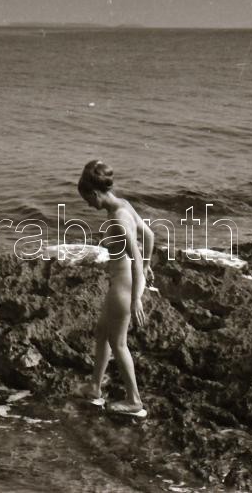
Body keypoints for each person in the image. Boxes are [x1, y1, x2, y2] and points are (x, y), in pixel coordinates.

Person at [76, 160, 154, 415]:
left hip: (124, 285)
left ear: (95, 193)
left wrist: (136, 298)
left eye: (88, 200)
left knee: (118, 343)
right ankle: (94, 387)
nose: (89, 205)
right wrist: (148, 266)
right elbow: (149, 236)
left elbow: (136, 258)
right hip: (123, 282)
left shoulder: (119, 218)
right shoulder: (124, 205)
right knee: (102, 332)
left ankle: (134, 400)